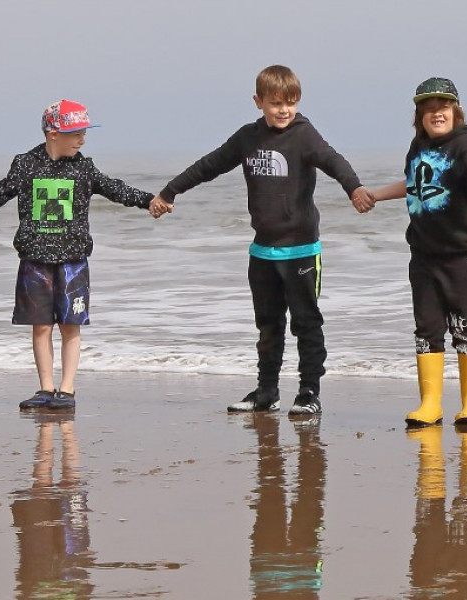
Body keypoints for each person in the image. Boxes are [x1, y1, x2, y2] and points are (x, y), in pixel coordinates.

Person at [150, 65, 376, 416]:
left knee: (306, 323)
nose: (284, 110)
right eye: (275, 103)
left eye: (291, 102)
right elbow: (209, 165)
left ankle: (308, 392)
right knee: (268, 326)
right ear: (258, 102)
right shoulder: (247, 138)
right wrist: (170, 191)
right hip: (263, 252)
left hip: (301, 249)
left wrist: (355, 188)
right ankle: (267, 391)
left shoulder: (304, 135)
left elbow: (333, 160)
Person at [0, 100, 159, 411]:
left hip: (73, 261)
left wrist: (149, 200)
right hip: (35, 259)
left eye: (84, 133)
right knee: (41, 326)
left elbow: (116, 189)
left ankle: (67, 390)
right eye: (75, 133)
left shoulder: (83, 168)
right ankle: (46, 388)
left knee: (70, 325)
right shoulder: (25, 165)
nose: (82, 140)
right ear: (53, 133)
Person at [361, 78, 467, 428]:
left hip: (462, 253)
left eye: (444, 106)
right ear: (419, 114)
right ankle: (430, 404)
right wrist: (375, 194)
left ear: (456, 110)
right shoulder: (417, 147)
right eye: (428, 107)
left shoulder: (464, 141)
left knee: (465, 327)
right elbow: (414, 183)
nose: (437, 112)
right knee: (427, 329)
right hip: (423, 253)